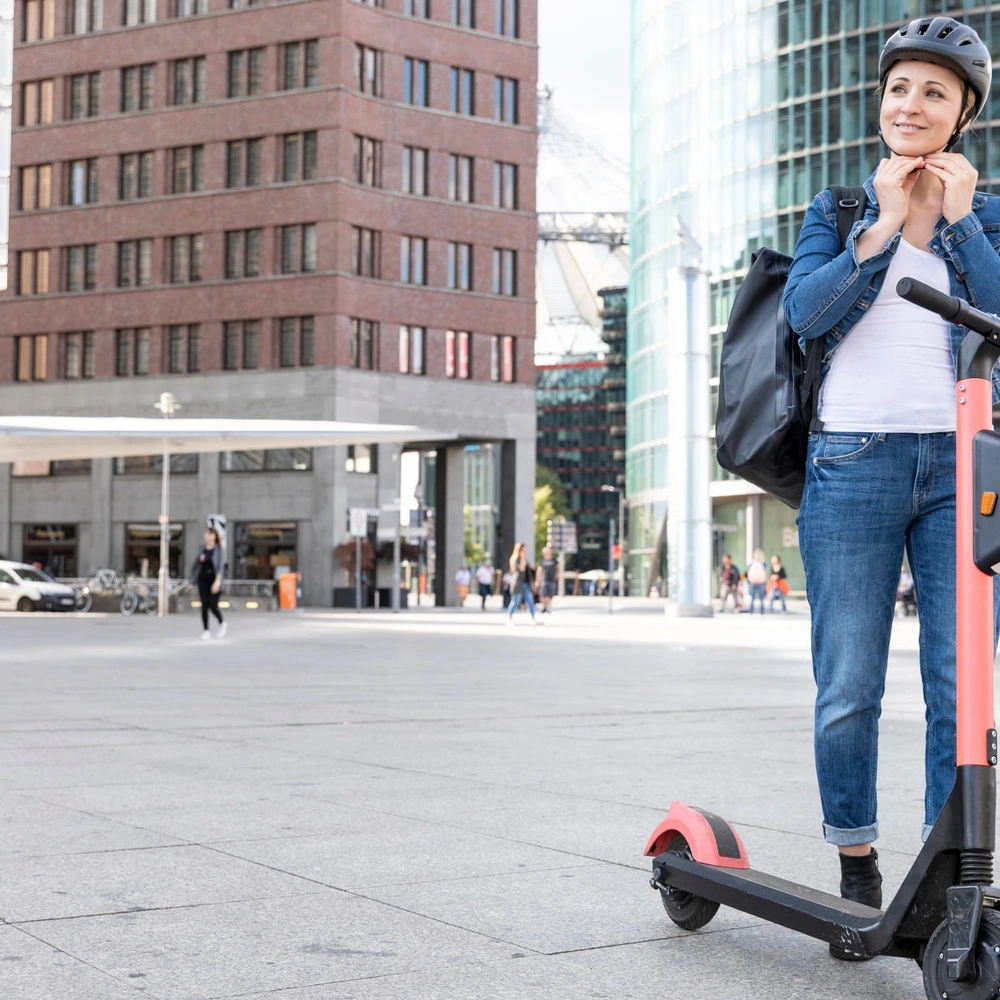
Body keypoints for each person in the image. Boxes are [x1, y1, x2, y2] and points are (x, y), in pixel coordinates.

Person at [782, 16, 1000, 957]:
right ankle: (859, 859)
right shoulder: (835, 210)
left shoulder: (984, 214)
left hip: (961, 462)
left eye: (934, 94)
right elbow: (805, 314)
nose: (910, 107)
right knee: (849, 686)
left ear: (963, 116)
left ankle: (956, 879)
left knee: (964, 690)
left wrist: (955, 225)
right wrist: (880, 227)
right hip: (853, 460)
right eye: (899, 89)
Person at [188, 525, 226, 640]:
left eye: (210, 534)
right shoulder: (202, 549)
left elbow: (220, 567)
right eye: (206, 533)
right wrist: (191, 582)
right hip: (202, 580)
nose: (207, 536)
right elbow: (196, 566)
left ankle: (222, 623)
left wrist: (217, 582)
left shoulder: (219, 549)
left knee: (213, 606)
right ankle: (206, 630)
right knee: (204, 605)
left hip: (214, 580)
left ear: (214, 536)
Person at [506, 542, 539, 625]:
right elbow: (521, 569)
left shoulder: (525, 559)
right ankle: (509, 618)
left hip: (526, 584)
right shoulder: (515, 559)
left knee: (530, 601)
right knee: (515, 601)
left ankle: (533, 618)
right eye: (523, 550)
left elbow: (530, 571)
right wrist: (523, 560)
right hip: (517, 584)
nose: (524, 552)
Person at [746, 548, 768, 614]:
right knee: (761, 598)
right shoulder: (764, 563)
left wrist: (749, 579)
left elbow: (748, 571)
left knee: (752, 597)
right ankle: (762, 612)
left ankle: (751, 611)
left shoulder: (751, 563)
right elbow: (766, 572)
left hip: (752, 582)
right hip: (761, 582)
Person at [538, 546, 558, 613]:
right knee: (543, 595)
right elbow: (539, 571)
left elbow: (558, 568)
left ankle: (548, 607)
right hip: (544, 580)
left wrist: (557, 575)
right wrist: (537, 580)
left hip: (552, 580)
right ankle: (545, 607)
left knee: (550, 595)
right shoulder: (542, 561)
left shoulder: (554, 560)